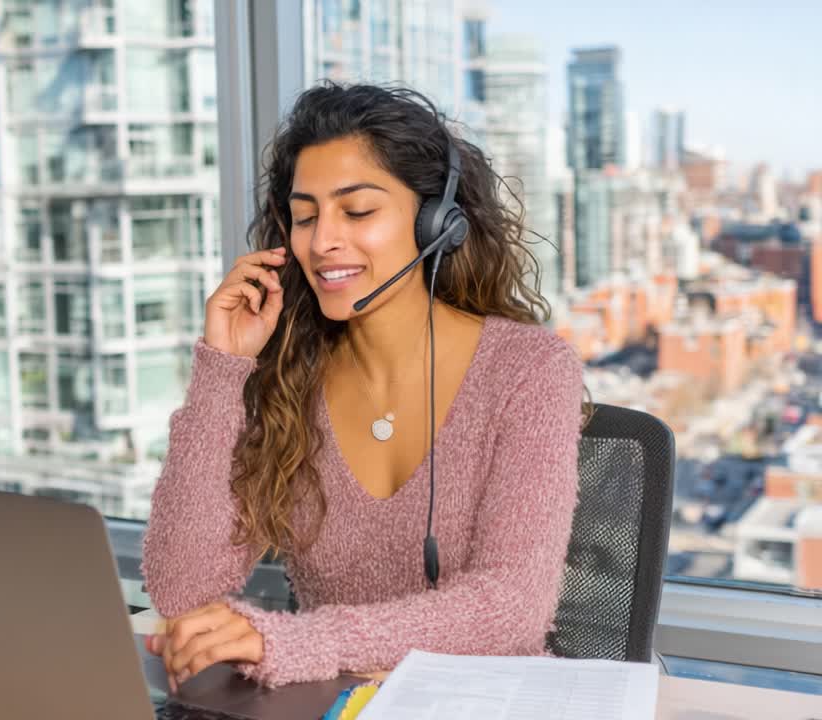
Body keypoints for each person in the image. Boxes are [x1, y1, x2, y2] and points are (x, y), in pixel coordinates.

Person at [140, 82, 588, 691]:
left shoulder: (529, 369)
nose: (322, 241)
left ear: (436, 220)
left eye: (357, 211)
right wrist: (222, 368)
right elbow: (181, 587)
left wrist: (292, 640)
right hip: (332, 703)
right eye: (303, 216)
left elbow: (512, 609)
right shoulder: (287, 374)